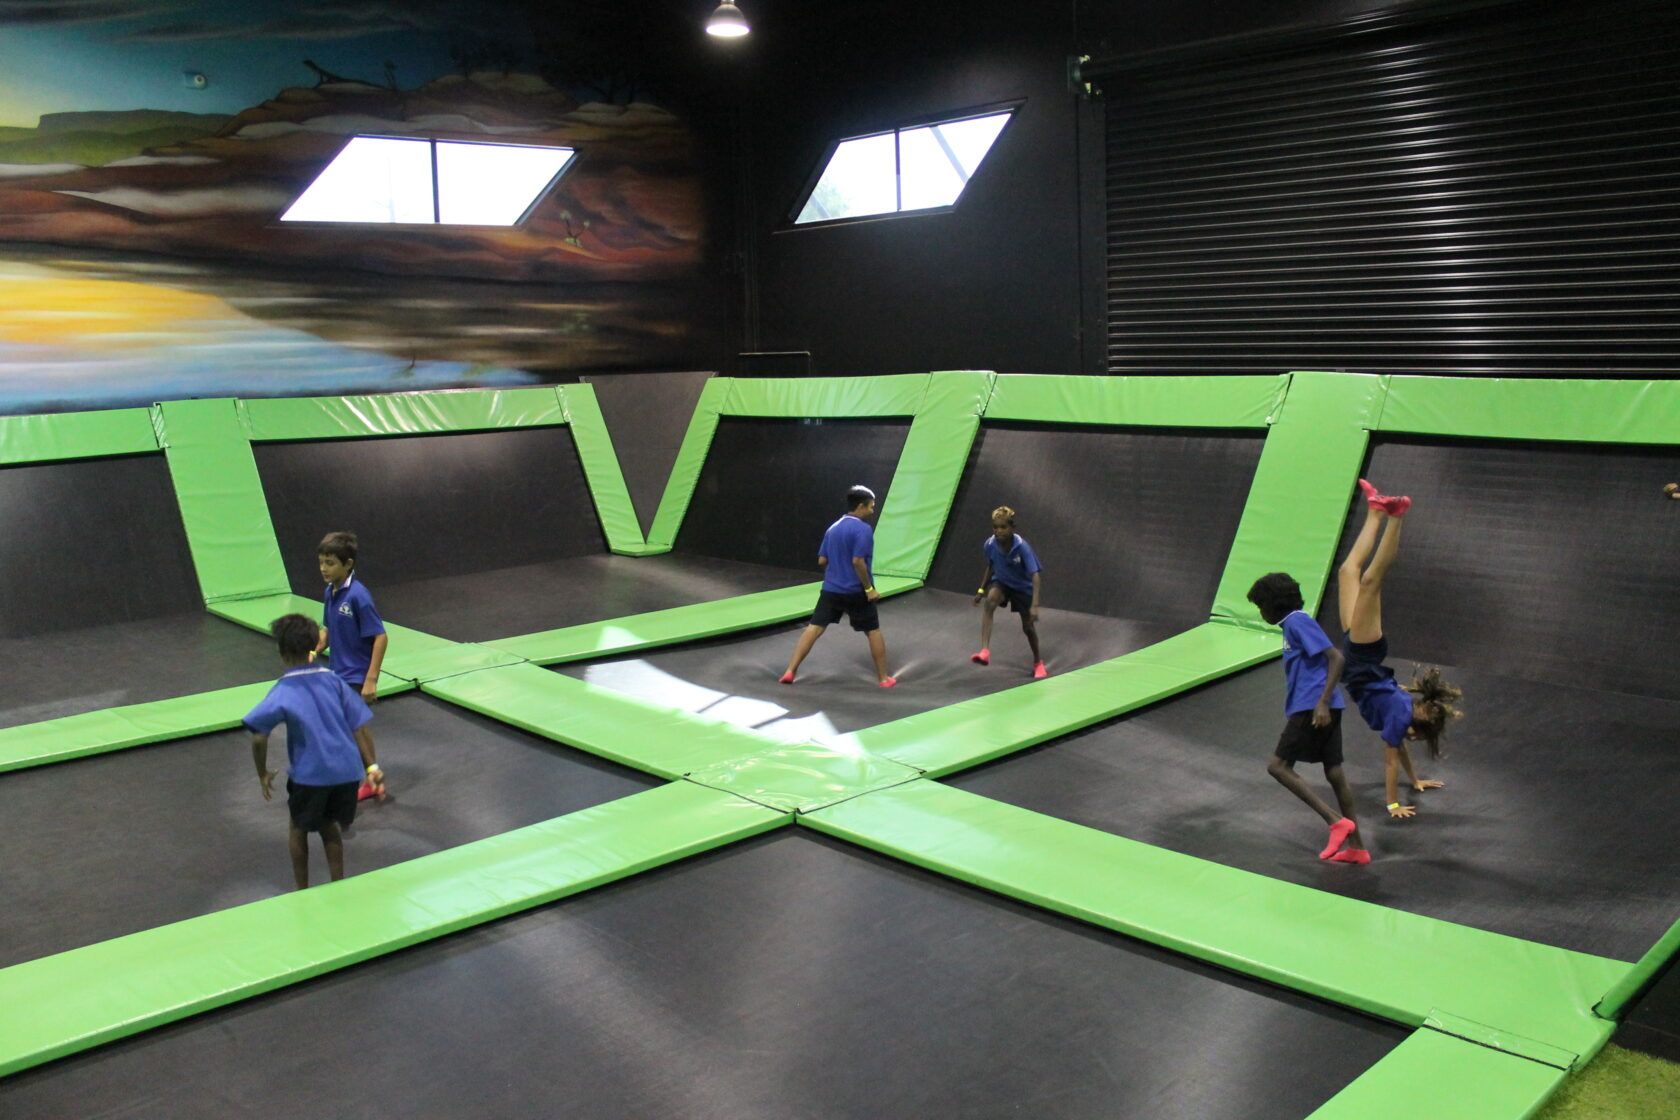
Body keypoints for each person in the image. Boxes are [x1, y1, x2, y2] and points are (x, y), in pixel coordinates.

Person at [1335, 480, 1464, 819]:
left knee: (1348, 571)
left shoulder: (1401, 718)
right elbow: (1390, 761)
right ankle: (1397, 516)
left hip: (1355, 651)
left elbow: (1400, 750)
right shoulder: (1399, 716)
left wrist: (1416, 779)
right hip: (1364, 652)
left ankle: (1376, 510)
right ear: (1417, 726)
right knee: (1369, 582)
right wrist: (1392, 803)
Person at [246, 614, 384, 890]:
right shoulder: (333, 680)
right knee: (328, 825)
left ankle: (302, 891)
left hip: (311, 776)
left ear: (282, 652)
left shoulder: (284, 689)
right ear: (314, 645)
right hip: (347, 774)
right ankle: (338, 885)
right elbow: (359, 725)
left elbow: (259, 737)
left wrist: (262, 773)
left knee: (297, 828)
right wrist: (372, 767)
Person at [1246, 572, 1370, 864]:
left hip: (1312, 706)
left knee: (1277, 766)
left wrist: (1322, 703)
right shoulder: (1291, 625)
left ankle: (1335, 821)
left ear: (1274, 605)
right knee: (1335, 773)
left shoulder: (1298, 621)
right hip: (1321, 705)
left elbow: (1336, 657)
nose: (1261, 613)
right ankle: (1358, 848)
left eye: (1261, 606)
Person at [780, 485, 896, 687]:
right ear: (860, 506)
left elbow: (822, 561)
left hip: (831, 590)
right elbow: (858, 561)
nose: (872, 511)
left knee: (814, 628)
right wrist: (869, 589)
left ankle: (790, 671)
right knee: (873, 631)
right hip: (857, 591)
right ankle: (884, 678)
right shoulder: (863, 530)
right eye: (871, 507)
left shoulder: (832, 528)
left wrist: (837, 572)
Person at [315, 531, 388, 801]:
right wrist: (320, 643)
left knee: (355, 725)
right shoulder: (330, 591)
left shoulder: (359, 596)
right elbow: (328, 628)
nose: (324, 568)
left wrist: (371, 679)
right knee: (354, 726)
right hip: (338, 672)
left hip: (356, 674)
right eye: (321, 562)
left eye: (330, 563)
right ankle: (372, 776)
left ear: (348, 565)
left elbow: (380, 636)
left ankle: (369, 777)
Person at [970, 505, 1047, 678]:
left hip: (1022, 588)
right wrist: (981, 589)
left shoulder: (1022, 547)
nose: (999, 531)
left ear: (1012, 527)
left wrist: (1035, 605)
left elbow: (1035, 576)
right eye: (995, 527)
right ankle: (984, 651)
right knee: (990, 601)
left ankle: (1038, 662)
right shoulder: (990, 544)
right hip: (1002, 583)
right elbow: (991, 565)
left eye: (1003, 527)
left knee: (1028, 628)